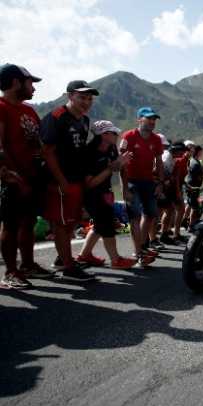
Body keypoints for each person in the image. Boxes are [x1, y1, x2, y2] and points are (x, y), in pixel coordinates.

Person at [40, 80, 100, 282]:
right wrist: (61, 181)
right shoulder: (56, 117)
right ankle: (68, 268)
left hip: (76, 180)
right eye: (82, 97)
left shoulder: (84, 120)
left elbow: (80, 151)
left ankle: (62, 260)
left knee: (70, 223)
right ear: (70, 96)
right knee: (61, 224)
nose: (86, 102)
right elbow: (47, 152)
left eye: (89, 98)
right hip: (60, 181)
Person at [0, 64, 54, 288]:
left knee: (29, 222)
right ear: (15, 82)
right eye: (30, 82)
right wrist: (13, 175)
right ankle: (10, 272)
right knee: (11, 225)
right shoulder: (1, 107)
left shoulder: (29, 110)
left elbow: (38, 142)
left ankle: (28, 265)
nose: (33, 87)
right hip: (13, 178)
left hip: (33, 177)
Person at [75, 120, 136, 269]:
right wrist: (112, 168)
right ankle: (116, 260)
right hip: (92, 195)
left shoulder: (112, 148)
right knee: (107, 225)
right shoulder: (90, 153)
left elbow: (115, 166)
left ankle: (84, 255)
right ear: (104, 135)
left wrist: (120, 164)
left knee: (99, 225)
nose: (117, 135)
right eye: (114, 133)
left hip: (105, 192)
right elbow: (89, 183)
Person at [119, 107, 164, 266]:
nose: (152, 122)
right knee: (135, 217)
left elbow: (159, 162)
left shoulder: (156, 139)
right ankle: (138, 252)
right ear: (139, 119)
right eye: (148, 118)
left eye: (154, 119)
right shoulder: (129, 136)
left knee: (151, 214)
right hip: (132, 181)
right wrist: (124, 188)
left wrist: (159, 183)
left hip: (149, 182)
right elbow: (122, 164)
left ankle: (143, 245)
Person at [184, 144, 203, 228]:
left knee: (190, 204)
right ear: (198, 152)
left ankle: (185, 220)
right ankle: (191, 225)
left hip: (191, 186)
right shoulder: (196, 163)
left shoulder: (193, 160)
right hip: (194, 187)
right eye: (201, 152)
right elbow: (198, 176)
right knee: (194, 207)